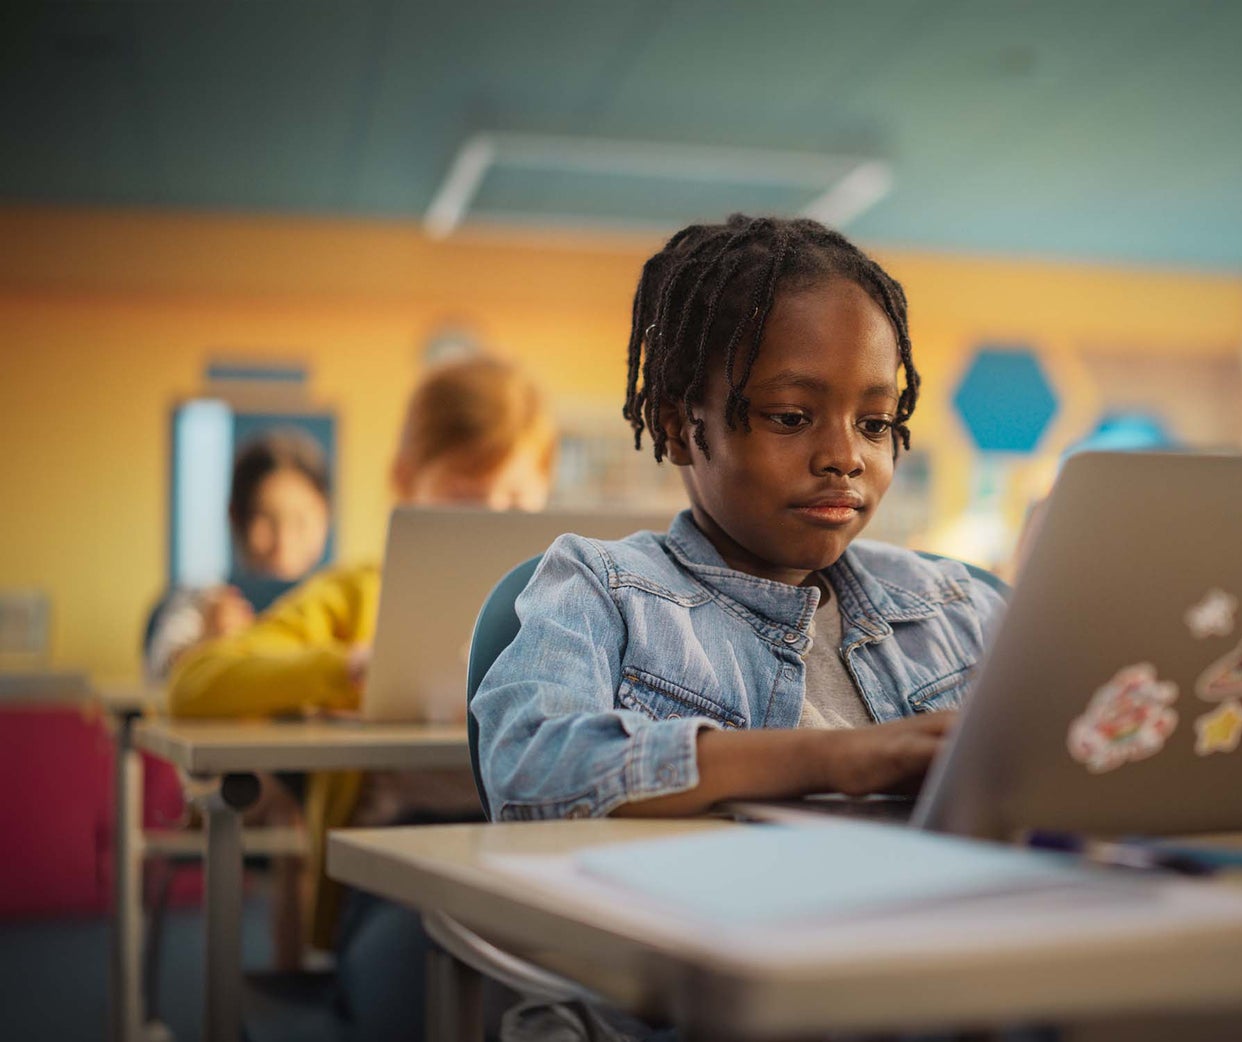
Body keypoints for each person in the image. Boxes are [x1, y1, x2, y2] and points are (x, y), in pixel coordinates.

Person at [474, 215, 1005, 826]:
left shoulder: (957, 607)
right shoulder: (603, 588)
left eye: (876, 423)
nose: (846, 457)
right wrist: (833, 759)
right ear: (678, 427)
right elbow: (527, 773)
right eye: (789, 416)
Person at [167, 355, 555, 1042]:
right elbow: (198, 681)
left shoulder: (569, 598)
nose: (494, 525)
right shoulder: (356, 594)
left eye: (518, 504)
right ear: (405, 481)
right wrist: (346, 665)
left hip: (546, 856)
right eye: (467, 501)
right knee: (436, 993)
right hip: (400, 866)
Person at [144, 428, 333, 681]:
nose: (283, 542)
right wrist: (207, 646)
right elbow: (158, 670)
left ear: (326, 519)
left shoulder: (339, 604)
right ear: (236, 517)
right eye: (265, 518)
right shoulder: (204, 600)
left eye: (300, 521)